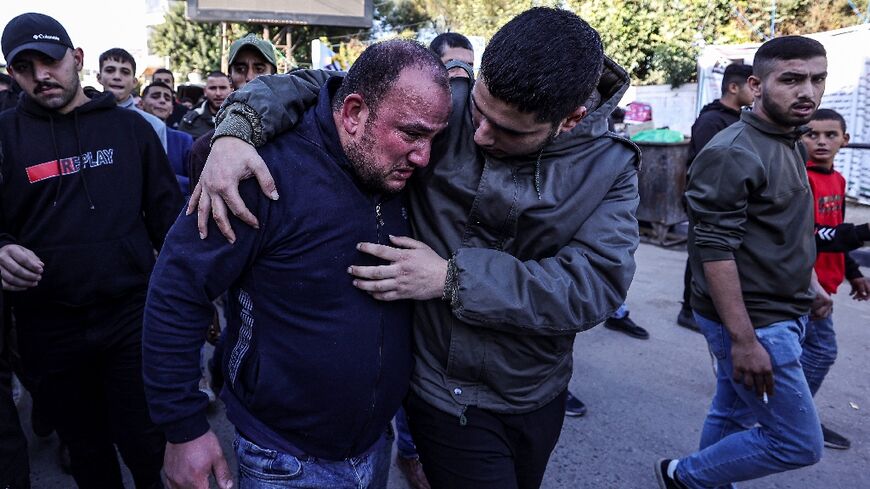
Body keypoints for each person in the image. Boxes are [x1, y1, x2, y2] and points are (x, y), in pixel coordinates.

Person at [192, 8, 640, 488]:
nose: (481, 136)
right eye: (479, 113)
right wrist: (236, 130)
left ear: (570, 120)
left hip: (538, 389)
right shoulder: (449, 104)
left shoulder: (612, 166)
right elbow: (328, 88)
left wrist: (450, 279)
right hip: (443, 395)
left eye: (510, 132)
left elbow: (594, 286)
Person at [142, 39, 451, 489]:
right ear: (353, 113)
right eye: (410, 134)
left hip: (374, 445)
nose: (424, 157)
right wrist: (183, 428)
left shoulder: (399, 169)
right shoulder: (256, 173)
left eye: (433, 138)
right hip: (284, 461)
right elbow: (177, 290)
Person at [0, 12, 182, 488]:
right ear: (13, 74)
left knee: (146, 442)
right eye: (25, 67)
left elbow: (170, 222)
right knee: (86, 449)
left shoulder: (133, 131)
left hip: (130, 317)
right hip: (49, 326)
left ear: (76, 59)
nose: (41, 75)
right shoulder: (4, 136)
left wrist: (196, 302)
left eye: (51, 60)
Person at [656, 36, 830, 489]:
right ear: (755, 85)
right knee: (797, 442)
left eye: (817, 79)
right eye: (791, 79)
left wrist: (809, 284)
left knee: (730, 411)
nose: (807, 92)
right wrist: (744, 341)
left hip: (781, 309)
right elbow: (712, 249)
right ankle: (686, 475)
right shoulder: (734, 150)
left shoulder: (788, 138)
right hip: (756, 321)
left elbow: (779, 228)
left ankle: (701, 481)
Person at [800, 108, 869, 450]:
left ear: (846, 139)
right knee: (822, 351)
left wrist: (853, 272)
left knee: (794, 353)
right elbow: (808, 235)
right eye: (812, 134)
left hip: (826, 282)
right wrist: (864, 232)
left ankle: (778, 410)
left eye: (830, 135)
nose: (821, 142)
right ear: (800, 137)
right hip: (802, 283)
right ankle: (795, 417)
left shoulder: (838, 180)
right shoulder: (801, 178)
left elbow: (837, 230)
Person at [677, 63, 754, 333]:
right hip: (707, 200)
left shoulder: (740, 120)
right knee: (701, 253)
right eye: (751, 85)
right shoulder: (712, 120)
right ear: (734, 87)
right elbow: (707, 166)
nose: (757, 92)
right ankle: (688, 309)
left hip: (732, 200)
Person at [187, 35, 277, 187]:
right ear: (230, 78)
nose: (249, 77)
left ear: (274, 75)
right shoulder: (204, 149)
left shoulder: (299, 133)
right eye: (240, 69)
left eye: (259, 69)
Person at [97, 47, 168, 152]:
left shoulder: (154, 125)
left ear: (134, 82)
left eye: (125, 72)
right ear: (99, 78)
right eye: (110, 70)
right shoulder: (85, 121)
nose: (117, 77)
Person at [139, 81, 194, 193]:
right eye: (155, 96)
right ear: (141, 104)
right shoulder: (132, 135)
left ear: (171, 109)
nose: (162, 101)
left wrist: (167, 179)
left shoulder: (183, 140)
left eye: (167, 98)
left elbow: (196, 182)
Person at [179, 70, 231, 139]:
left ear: (231, 89)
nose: (218, 93)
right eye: (212, 88)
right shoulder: (190, 122)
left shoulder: (242, 117)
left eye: (223, 88)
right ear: (205, 91)